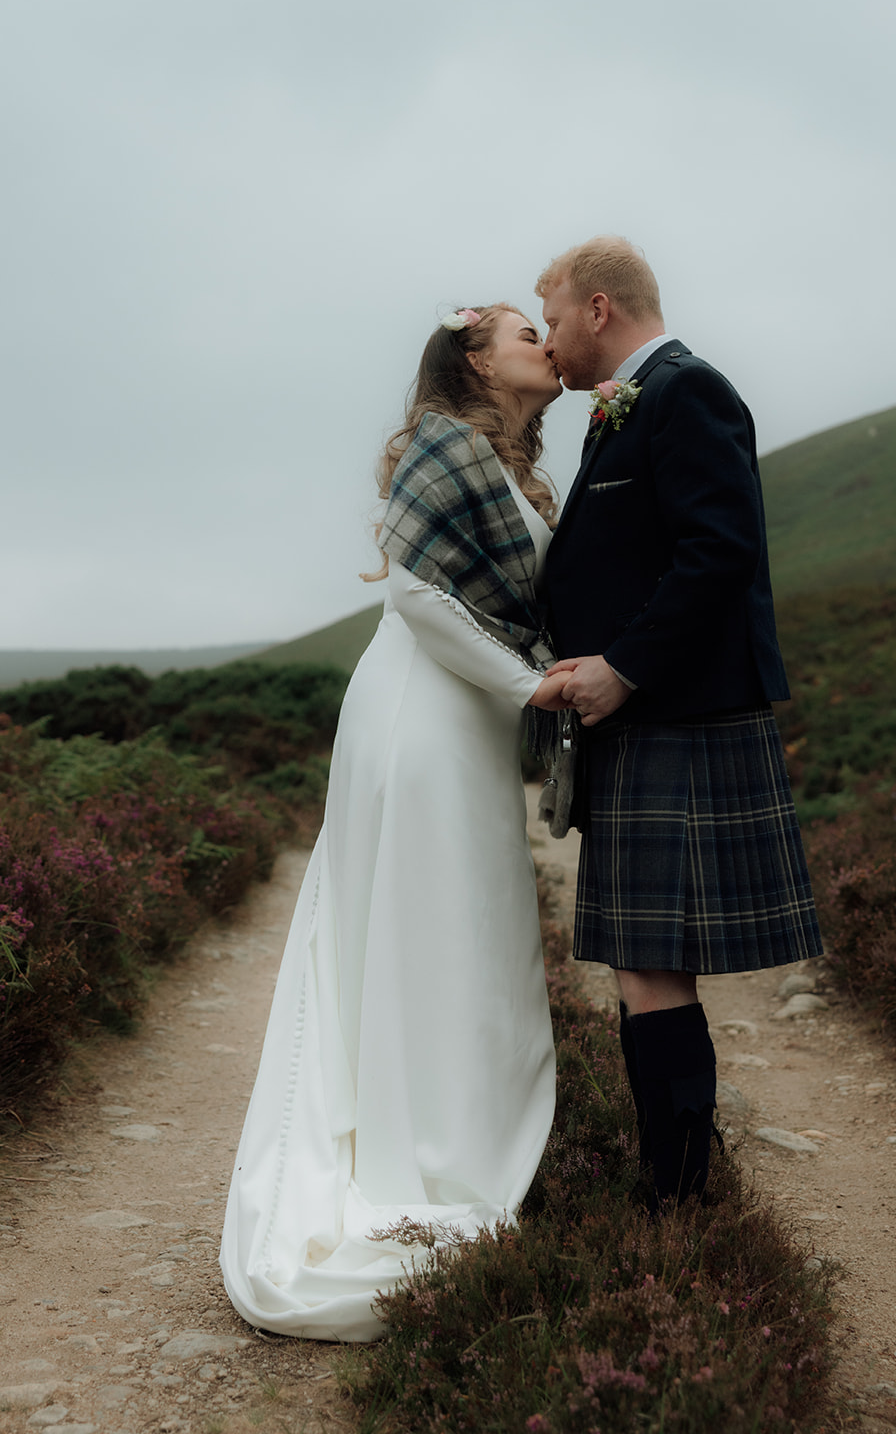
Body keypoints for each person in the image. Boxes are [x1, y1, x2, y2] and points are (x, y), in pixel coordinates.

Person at [220, 304, 569, 1341]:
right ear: (472, 357)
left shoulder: (509, 466)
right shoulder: (441, 445)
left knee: (466, 925)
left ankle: (451, 1137)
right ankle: (419, 1160)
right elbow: (420, 597)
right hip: (421, 711)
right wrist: (528, 686)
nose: (545, 343)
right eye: (522, 331)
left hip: (462, 716)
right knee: (430, 923)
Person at [536, 237, 822, 1208]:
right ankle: (674, 1182)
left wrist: (621, 669)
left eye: (555, 316)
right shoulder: (628, 406)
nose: (549, 339)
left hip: (677, 713)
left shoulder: (684, 391)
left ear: (600, 309)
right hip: (649, 717)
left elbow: (718, 550)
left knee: (652, 970)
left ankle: (678, 1195)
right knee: (642, 968)